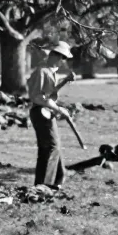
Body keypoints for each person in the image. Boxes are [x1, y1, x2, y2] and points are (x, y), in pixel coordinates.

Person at [27, 41, 76, 188]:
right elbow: (38, 97)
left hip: (47, 112)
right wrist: (60, 109)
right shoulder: (42, 71)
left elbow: (50, 93)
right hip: (40, 112)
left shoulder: (49, 71)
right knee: (50, 147)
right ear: (54, 55)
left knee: (55, 146)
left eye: (65, 58)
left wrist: (65, 80)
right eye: (62, 57)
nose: (63, 61)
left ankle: (58, 179)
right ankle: (44, 186)